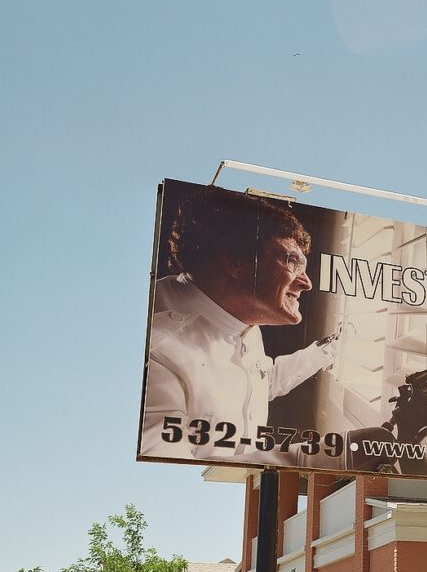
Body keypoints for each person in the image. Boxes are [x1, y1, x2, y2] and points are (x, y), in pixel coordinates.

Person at [139, 185, 336, 462]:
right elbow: (168, 470)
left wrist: (322, 352)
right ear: (235, 260)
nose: (306, 283)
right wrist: (322, 458)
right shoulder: (155, 349)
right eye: (292, 261)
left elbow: (257, 380)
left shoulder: (239, 318)